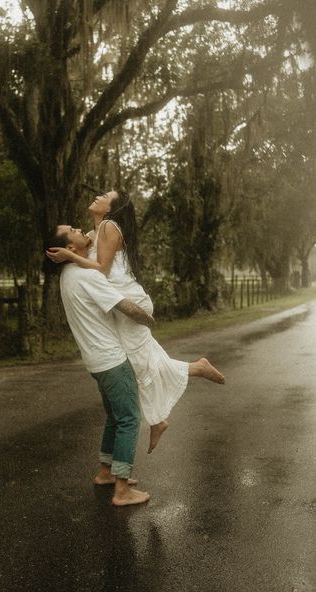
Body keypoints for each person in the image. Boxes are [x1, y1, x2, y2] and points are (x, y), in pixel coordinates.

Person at [47, 190, 225, 454]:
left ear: (112, 207)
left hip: (129, 302)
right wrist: (75, 248)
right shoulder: (97, 231)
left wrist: (71, 257)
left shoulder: (108, 226)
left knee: (139, 366)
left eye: (106, 195)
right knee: (141, 360)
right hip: (119, 303)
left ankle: (169, 405)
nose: (98, 195)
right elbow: (89, 253)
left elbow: (102, 271)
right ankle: (166, 408)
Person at [47, 224, 155, 507]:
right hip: (111, 360)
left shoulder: (69, 273)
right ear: (70, 248)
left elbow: (94, 236)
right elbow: (124, 305)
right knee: (130, 417)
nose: (79, 228)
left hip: (95, 360)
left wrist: (82, 244)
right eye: (72, 229)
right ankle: (122, 490)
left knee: (115, 416)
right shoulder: (85, 276)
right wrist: (149, 319)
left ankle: (105, 472)